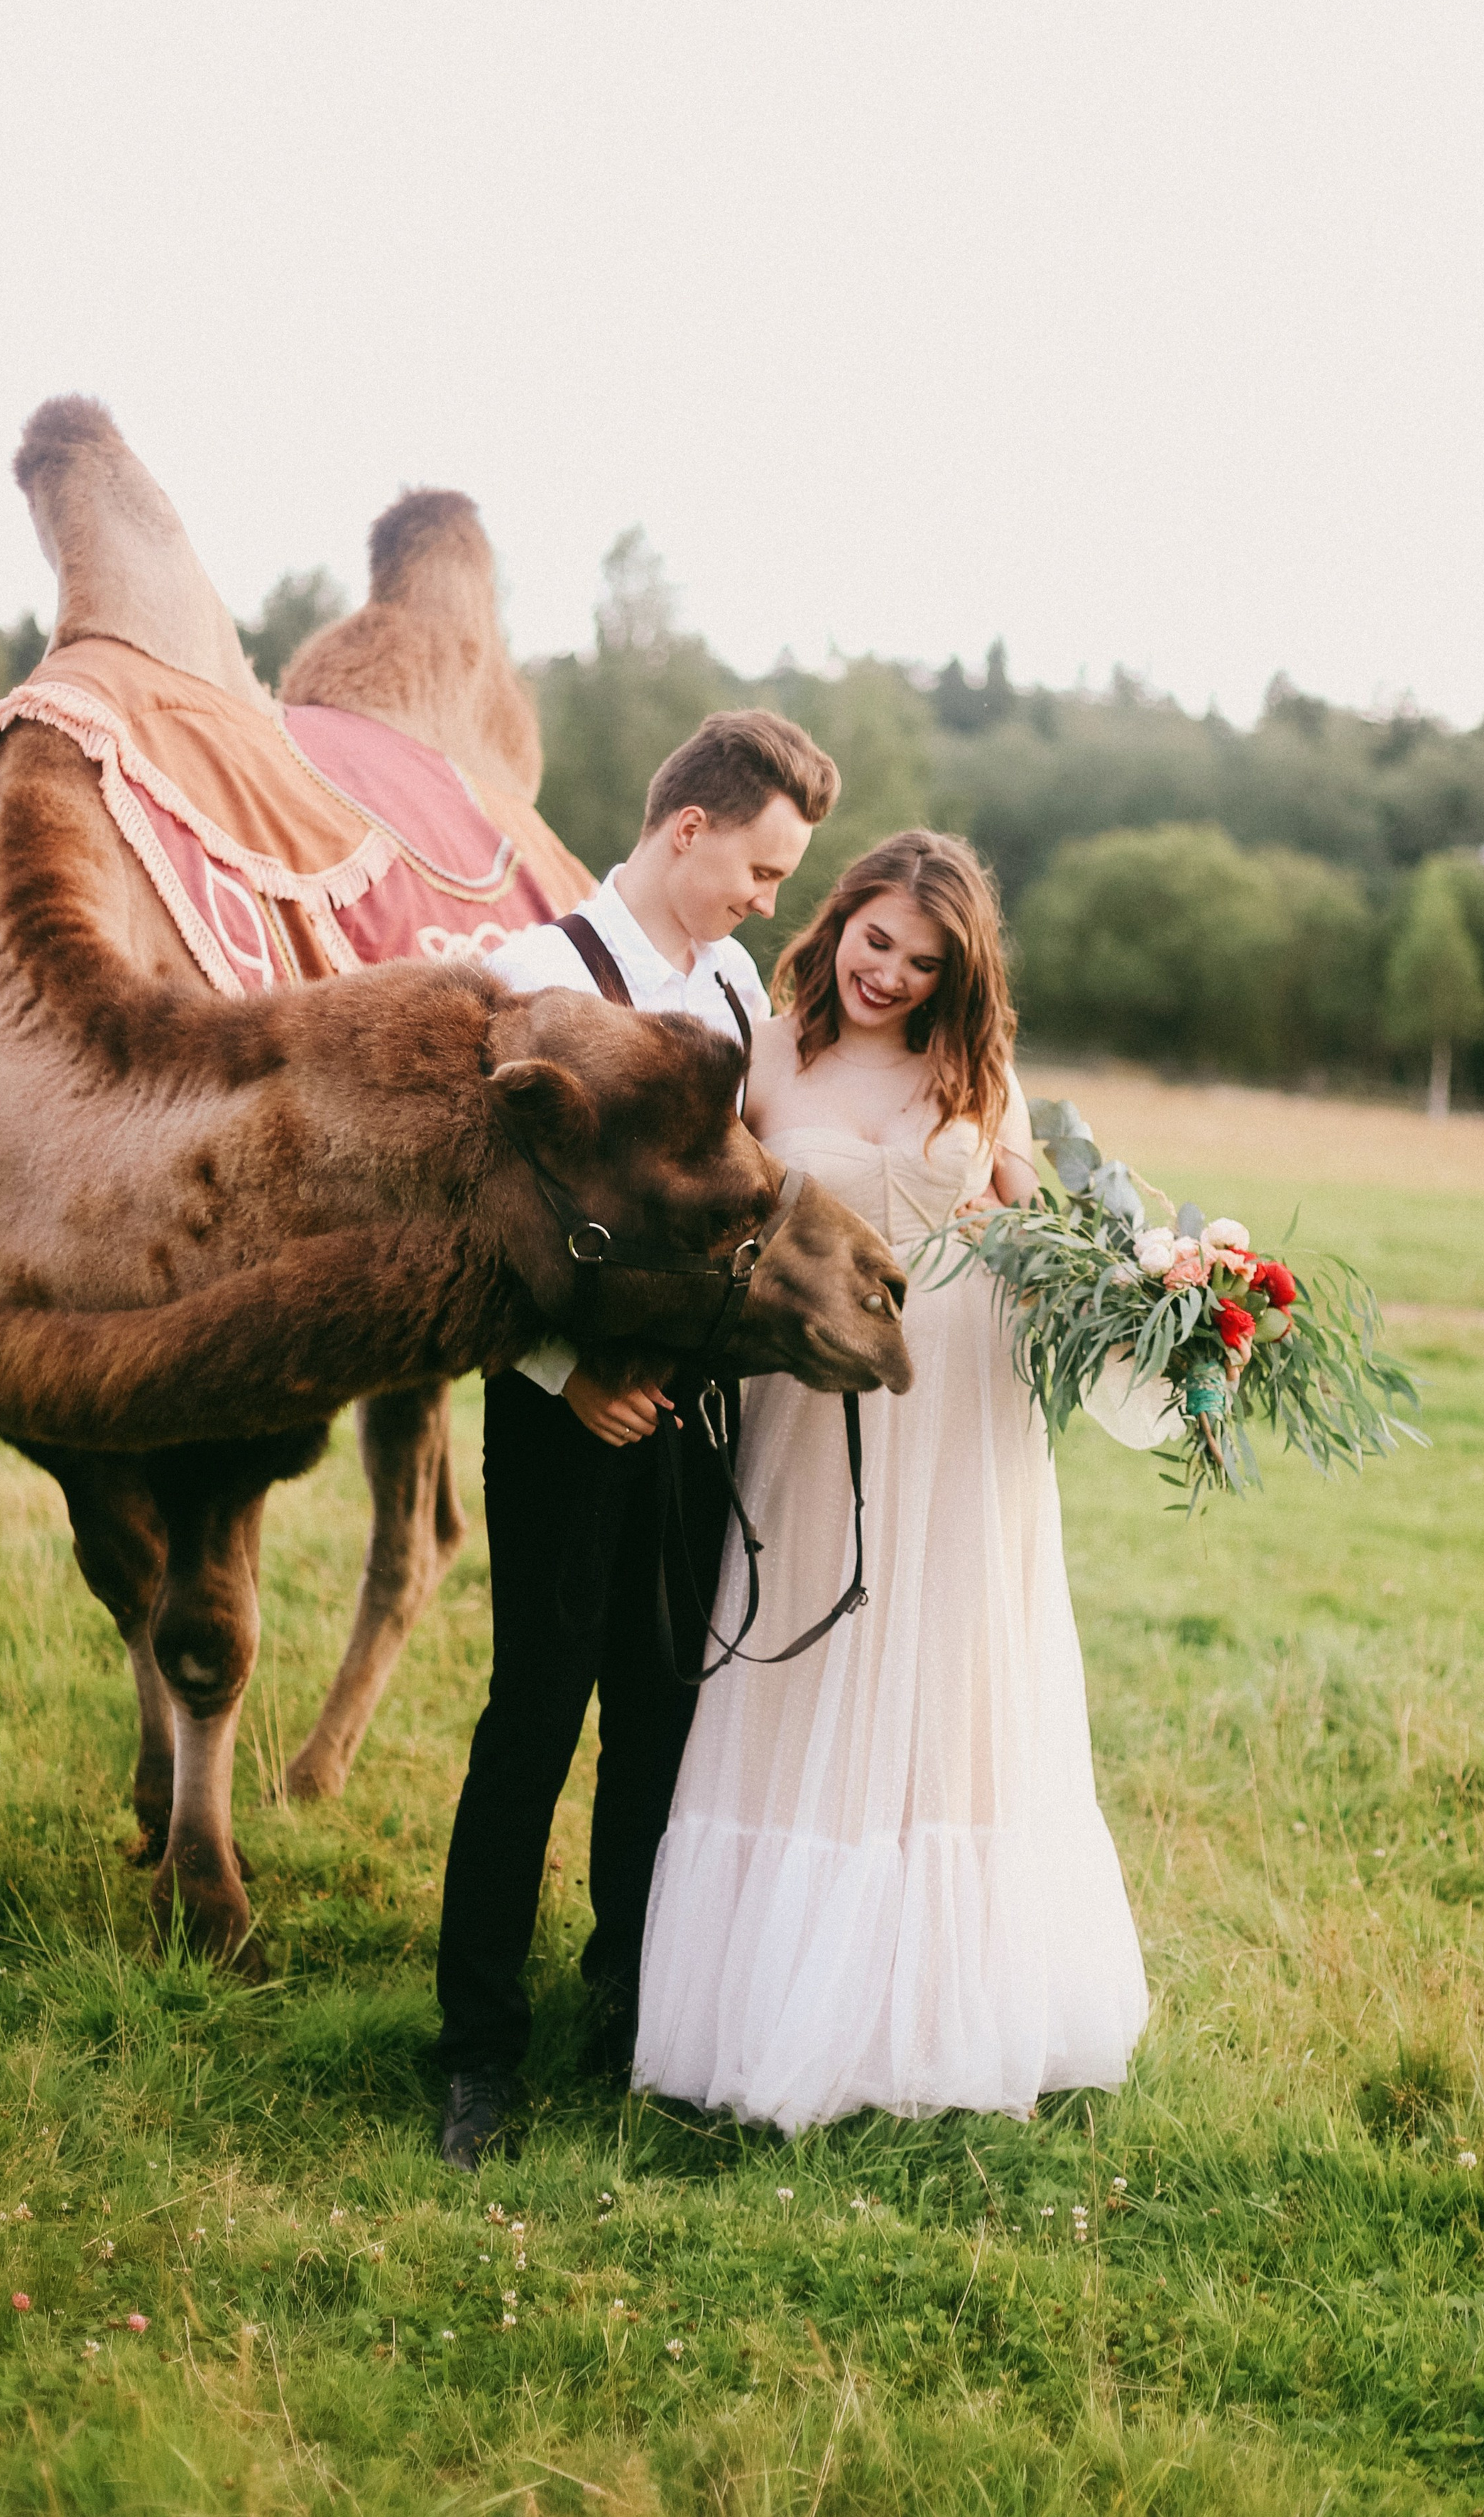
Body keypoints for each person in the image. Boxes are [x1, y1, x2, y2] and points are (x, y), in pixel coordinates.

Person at [633, 830, 1149, 2129]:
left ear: (955, 973)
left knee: (948, 1667)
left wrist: (1155, 1283)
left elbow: (1049, 1237)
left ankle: (941, 2014)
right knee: (805, 1664)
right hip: (808, 1392)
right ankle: (775, 2006)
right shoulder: (765, 1054)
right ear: (841, 918)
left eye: (924, 962)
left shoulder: (982, 1073)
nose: (891, 975)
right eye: (877, 941)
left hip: (963, 1398)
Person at [435, 708, 840, 2168]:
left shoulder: (737, 993)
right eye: (760, 865)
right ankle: (475, 2050)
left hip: (697, 1418)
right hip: (560, 1418)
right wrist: (557, 1370)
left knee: (661, 1722)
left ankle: (623, 2005)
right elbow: (456, 1225)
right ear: (687, 830)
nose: (766, 899)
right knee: (532, 1722)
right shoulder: (531, 976)